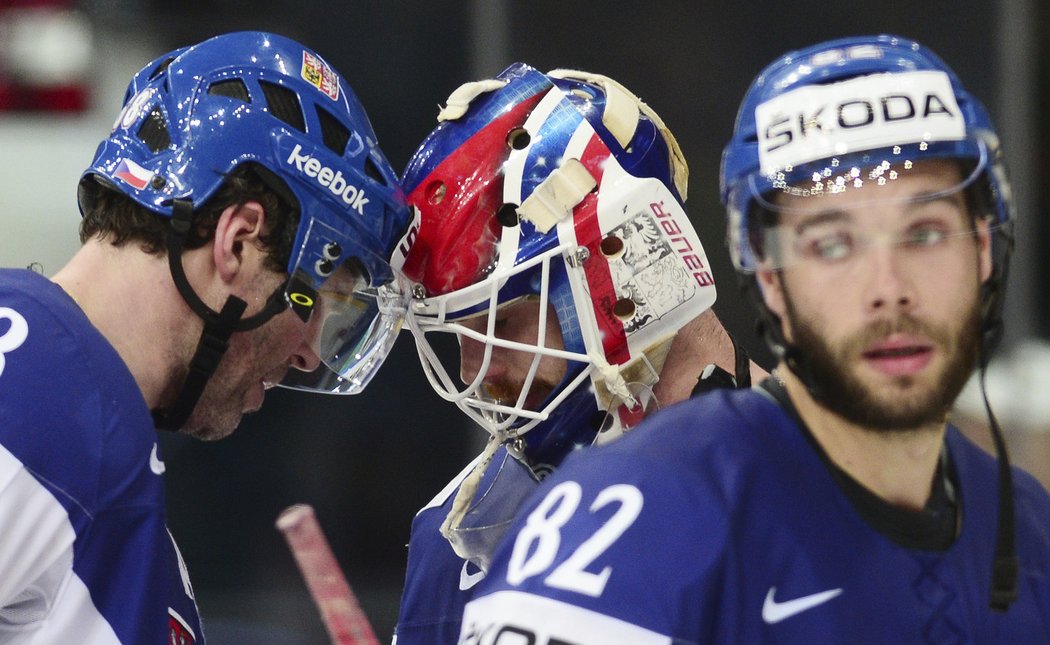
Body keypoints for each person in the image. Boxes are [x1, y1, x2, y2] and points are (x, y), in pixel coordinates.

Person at [457, 35, 1050, 643]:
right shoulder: (625, 523)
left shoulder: (1034, 535)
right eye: (833, 245)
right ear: (769, 278)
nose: (889, 290)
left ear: (983, 249)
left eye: (924, 234)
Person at [0, 31, 409, 643]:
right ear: (238, 241)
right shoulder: (40, 394)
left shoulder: (88, 424)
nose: (305, 353)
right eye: (317, 301)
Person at [391, 62, 765, 643]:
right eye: (459, 335)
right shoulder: (453, 548)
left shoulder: (831, 481)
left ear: (619, 256)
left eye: (502, 321)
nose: (473, 370)